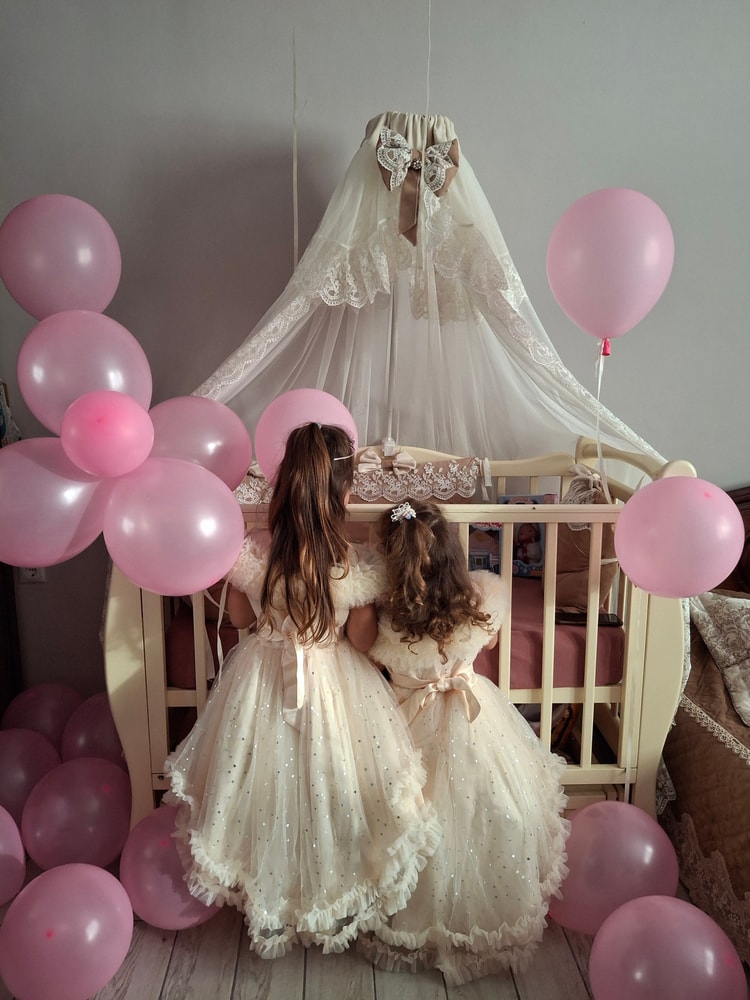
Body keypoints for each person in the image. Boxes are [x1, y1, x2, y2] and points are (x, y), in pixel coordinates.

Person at [164, 424, 440, 958]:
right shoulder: (351, 562)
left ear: (286, 482)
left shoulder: (256, 552)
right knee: (334, 783)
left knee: (262, 784)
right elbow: (361, 640)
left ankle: (272, 897)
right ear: (341, 491)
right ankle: (329, 893)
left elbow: (240, 620)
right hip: (332, 682)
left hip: (262, 677)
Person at [358, 500, 570, 985]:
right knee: (488, 805)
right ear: (454, 554)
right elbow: (490, 643)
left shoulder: (383, 619)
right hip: (476, 716)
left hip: (407, 719)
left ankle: (411, 911)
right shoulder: (484, 601)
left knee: (412, 812)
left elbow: (365, 650)